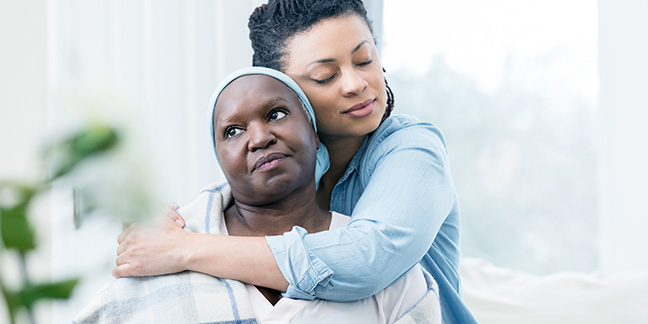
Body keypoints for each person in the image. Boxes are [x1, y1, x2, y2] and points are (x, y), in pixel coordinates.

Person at [115, 1, 478, 323]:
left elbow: (368, 261)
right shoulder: (281, 173)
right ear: (286, 93)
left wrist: (180, 249)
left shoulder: (412, 148)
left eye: (365, 59)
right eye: (325, 76)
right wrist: (161, 228)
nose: (355, 83)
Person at [75, 67, 440, 323]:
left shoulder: (390, 271)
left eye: (277, 114)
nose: (259, 138)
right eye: (233, 131)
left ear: (315, 134)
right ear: (219, 159)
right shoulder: (156, 257)